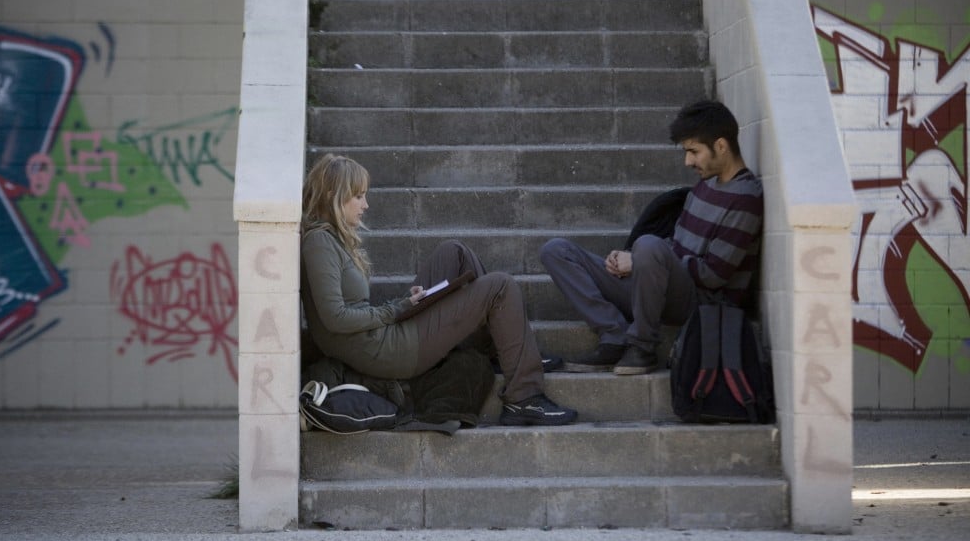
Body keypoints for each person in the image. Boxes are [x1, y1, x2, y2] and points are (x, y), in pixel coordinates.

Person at [300, 153, 577, 427]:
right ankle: (524, 398)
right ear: (332, 195)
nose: (366, 205)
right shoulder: (319, 243)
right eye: (358, 196)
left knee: (454, 252)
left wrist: (402, 305)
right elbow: (334, 317)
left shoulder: (330, 239)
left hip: (381, 336)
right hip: (389, 351)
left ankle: (504, 350)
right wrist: (396, 309)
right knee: (500, 286)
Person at [540, 99, 764, 374]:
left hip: (701, 300)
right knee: (556, 250)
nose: (688, 161)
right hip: (661, 284)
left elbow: (713, 275)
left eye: (694, 151)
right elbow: (676, 245)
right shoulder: (705, 185)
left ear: (721, 146)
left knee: (648, 245)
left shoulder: (746, 199)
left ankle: (643, 347)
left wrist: (645, 260)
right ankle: (614, 335)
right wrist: (638, 260)